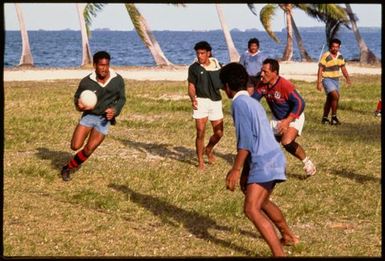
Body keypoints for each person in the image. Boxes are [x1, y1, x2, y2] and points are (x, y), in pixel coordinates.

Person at [219, 62, 299, 257]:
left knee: (251, 208)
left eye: (223, 86)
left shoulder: (238, 103)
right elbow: (256, 137)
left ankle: (279, 255)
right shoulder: (253, 102)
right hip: (273, 157)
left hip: (264, 160)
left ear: (228, 87)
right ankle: (288, 236)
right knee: (262, 202)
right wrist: (247, 171)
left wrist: (236, 170)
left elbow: (245, 141)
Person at [61, 51, 126, 181]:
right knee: (75, 146)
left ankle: (68, 168)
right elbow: (77, 98)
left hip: (104, 120)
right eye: (101, 65)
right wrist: (79, 106)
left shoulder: (117, 80)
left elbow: (122, 99)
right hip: (89, 116)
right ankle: (70, 164)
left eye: (107, 65)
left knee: (88, 150)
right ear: (95, 65)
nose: (104, 69)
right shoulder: (86, 82)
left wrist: (115, 110)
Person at [249, 58, 316, 177]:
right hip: (277, 118)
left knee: (286, 142)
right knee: (267, 145)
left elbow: (300, 103)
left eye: (265, 72)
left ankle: (307, 162)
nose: (262, 74)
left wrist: (287, 121)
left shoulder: (285, 85)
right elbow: (254, 101)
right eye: (261, 71)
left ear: (274, 73)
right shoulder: (262, 85)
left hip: (294, 116)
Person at [187, 41, 224, 170]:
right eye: (198, 53)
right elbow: (191, 86)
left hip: (216, 102)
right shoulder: (193, 68)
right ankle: (200, 161)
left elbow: (224, 84)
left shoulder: (218, 66)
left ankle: (208, 149)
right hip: (201, 101)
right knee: (200, 132)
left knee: (219, 133)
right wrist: (193, 98)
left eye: (202, 53)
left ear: (208, 53)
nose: (199, 56)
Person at [317, 38, 351, 125]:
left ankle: (324, 118)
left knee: (330, 99)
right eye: (333, 47)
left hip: (336, 80)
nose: (335, 49)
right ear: (330, 47)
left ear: (339, 47)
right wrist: (319, 82)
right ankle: (334, 117)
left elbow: (343, 68)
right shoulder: (326, 55)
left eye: (337, 47)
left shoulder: (340, 56)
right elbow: (320, 69)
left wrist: (347, 78)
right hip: (327, 79)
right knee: (336, 96)